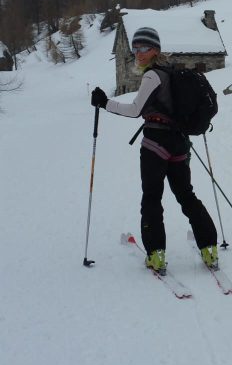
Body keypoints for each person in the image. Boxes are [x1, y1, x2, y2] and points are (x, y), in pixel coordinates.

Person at [91, 26, 218, 274]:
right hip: (179, 143)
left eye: (144, 48)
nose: (138, 53)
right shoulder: (172, 71)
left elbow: (134, 110)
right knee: (186, 195)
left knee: (152, 198)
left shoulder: (152, 76)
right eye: (135, 48)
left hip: (155, 145)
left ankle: (156, 255)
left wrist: (104, 103)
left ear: (155, 50)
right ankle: (209, 249)